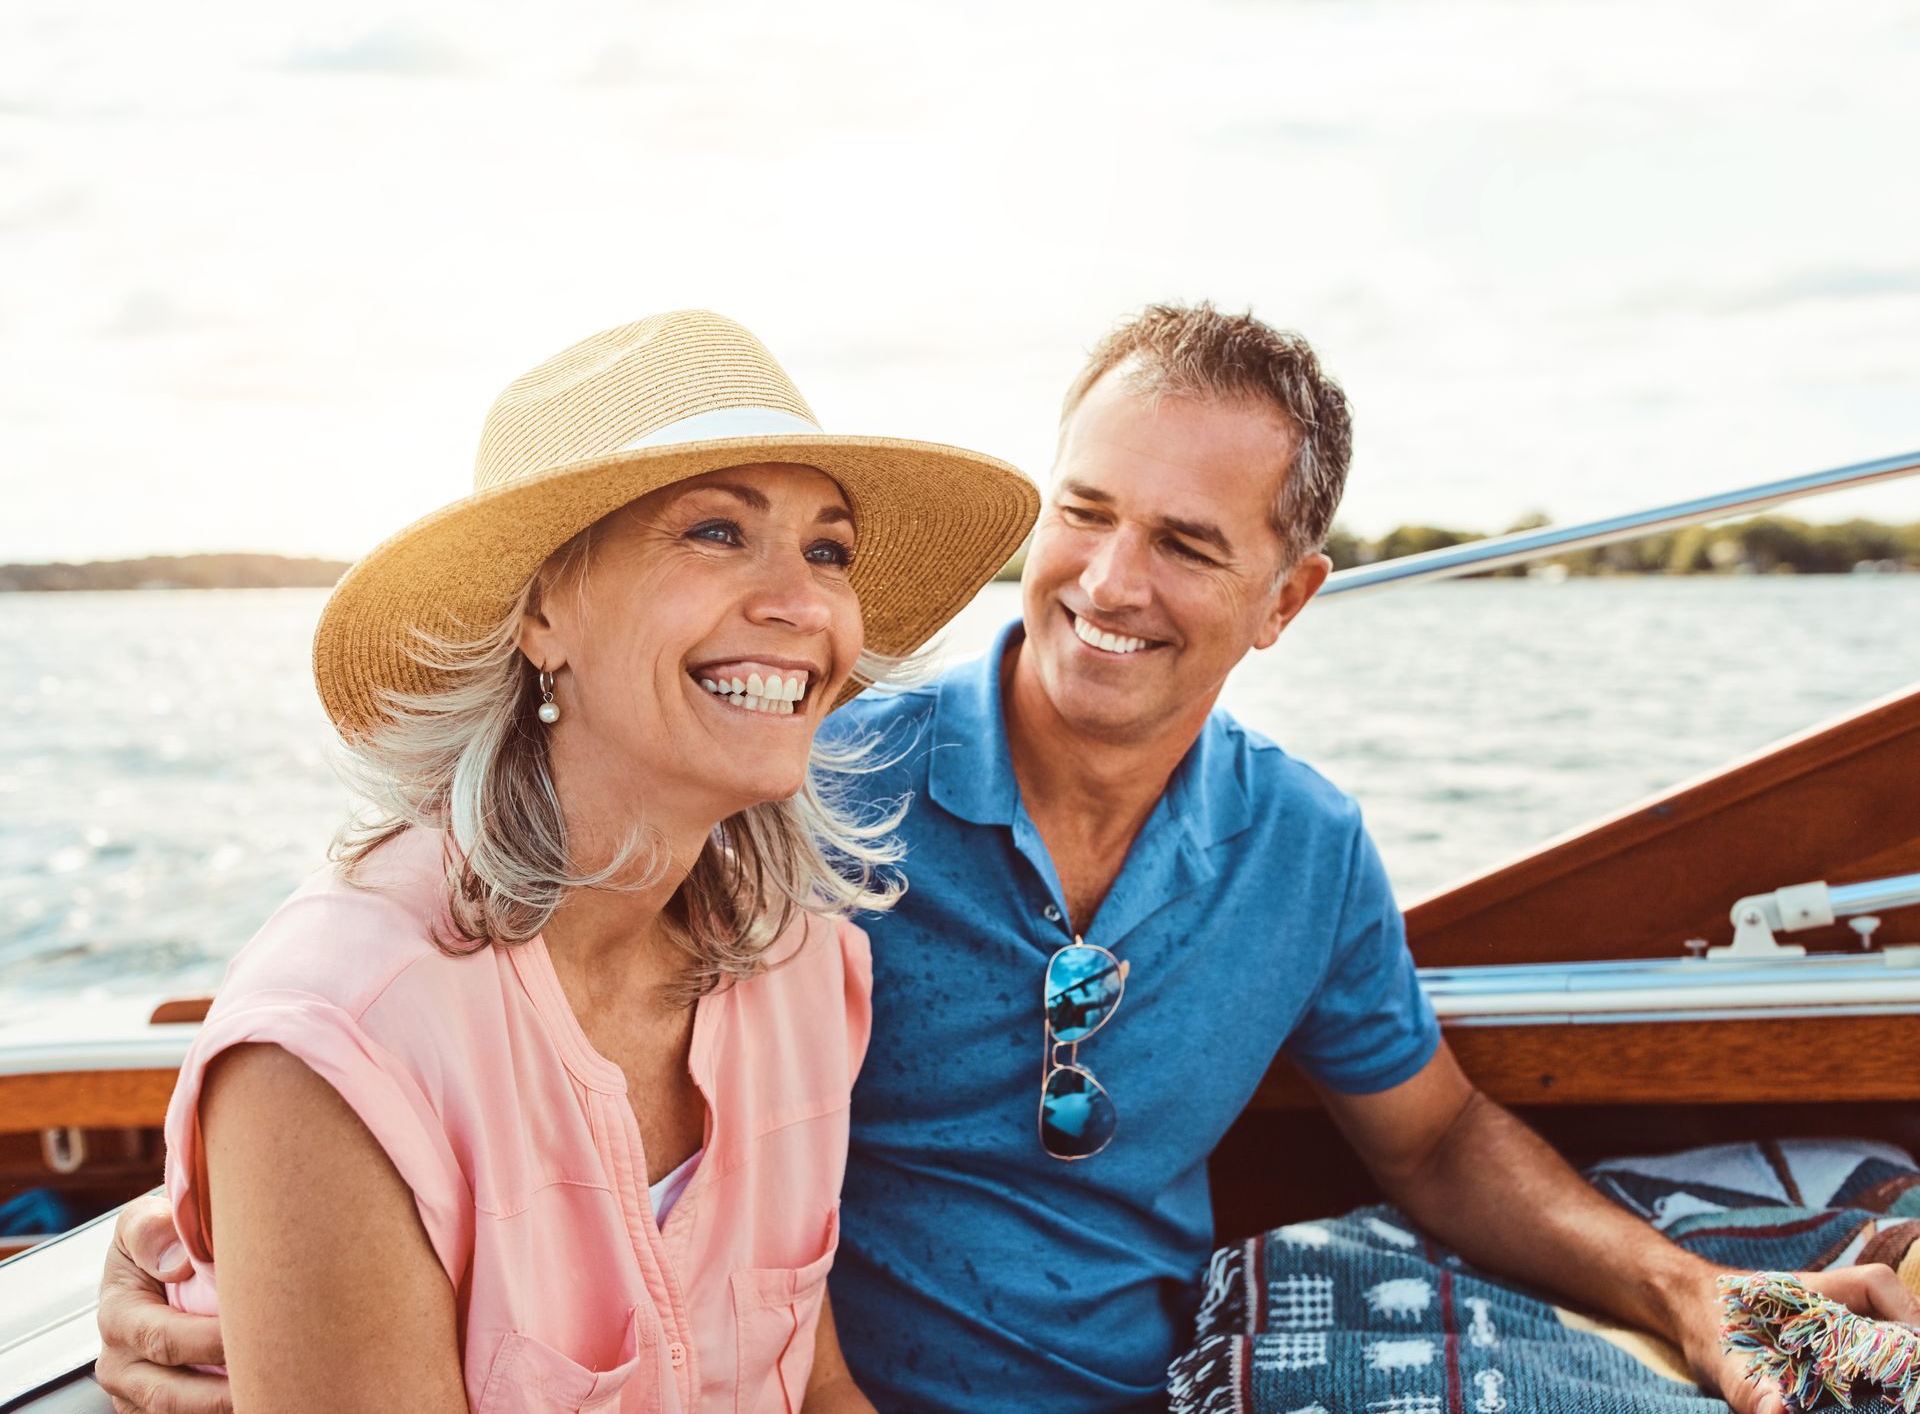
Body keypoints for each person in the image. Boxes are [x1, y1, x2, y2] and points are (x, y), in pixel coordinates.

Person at [97, 304, 1919, 1414]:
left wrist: (1697, 1290)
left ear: (1288, 601)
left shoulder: (1256, 852)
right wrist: (202, 1251)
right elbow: (402, 978)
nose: (1112, 585)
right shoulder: (803, 790)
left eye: (1190, 545)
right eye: (1085, 512)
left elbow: (1432, 1133)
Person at [100, 309, 1036, 1413]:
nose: (801, 603)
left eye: (826, 551)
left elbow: (815, 1384)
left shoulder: (802, 962)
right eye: (716, 533)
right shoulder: (340, 1036)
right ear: (542, 611)